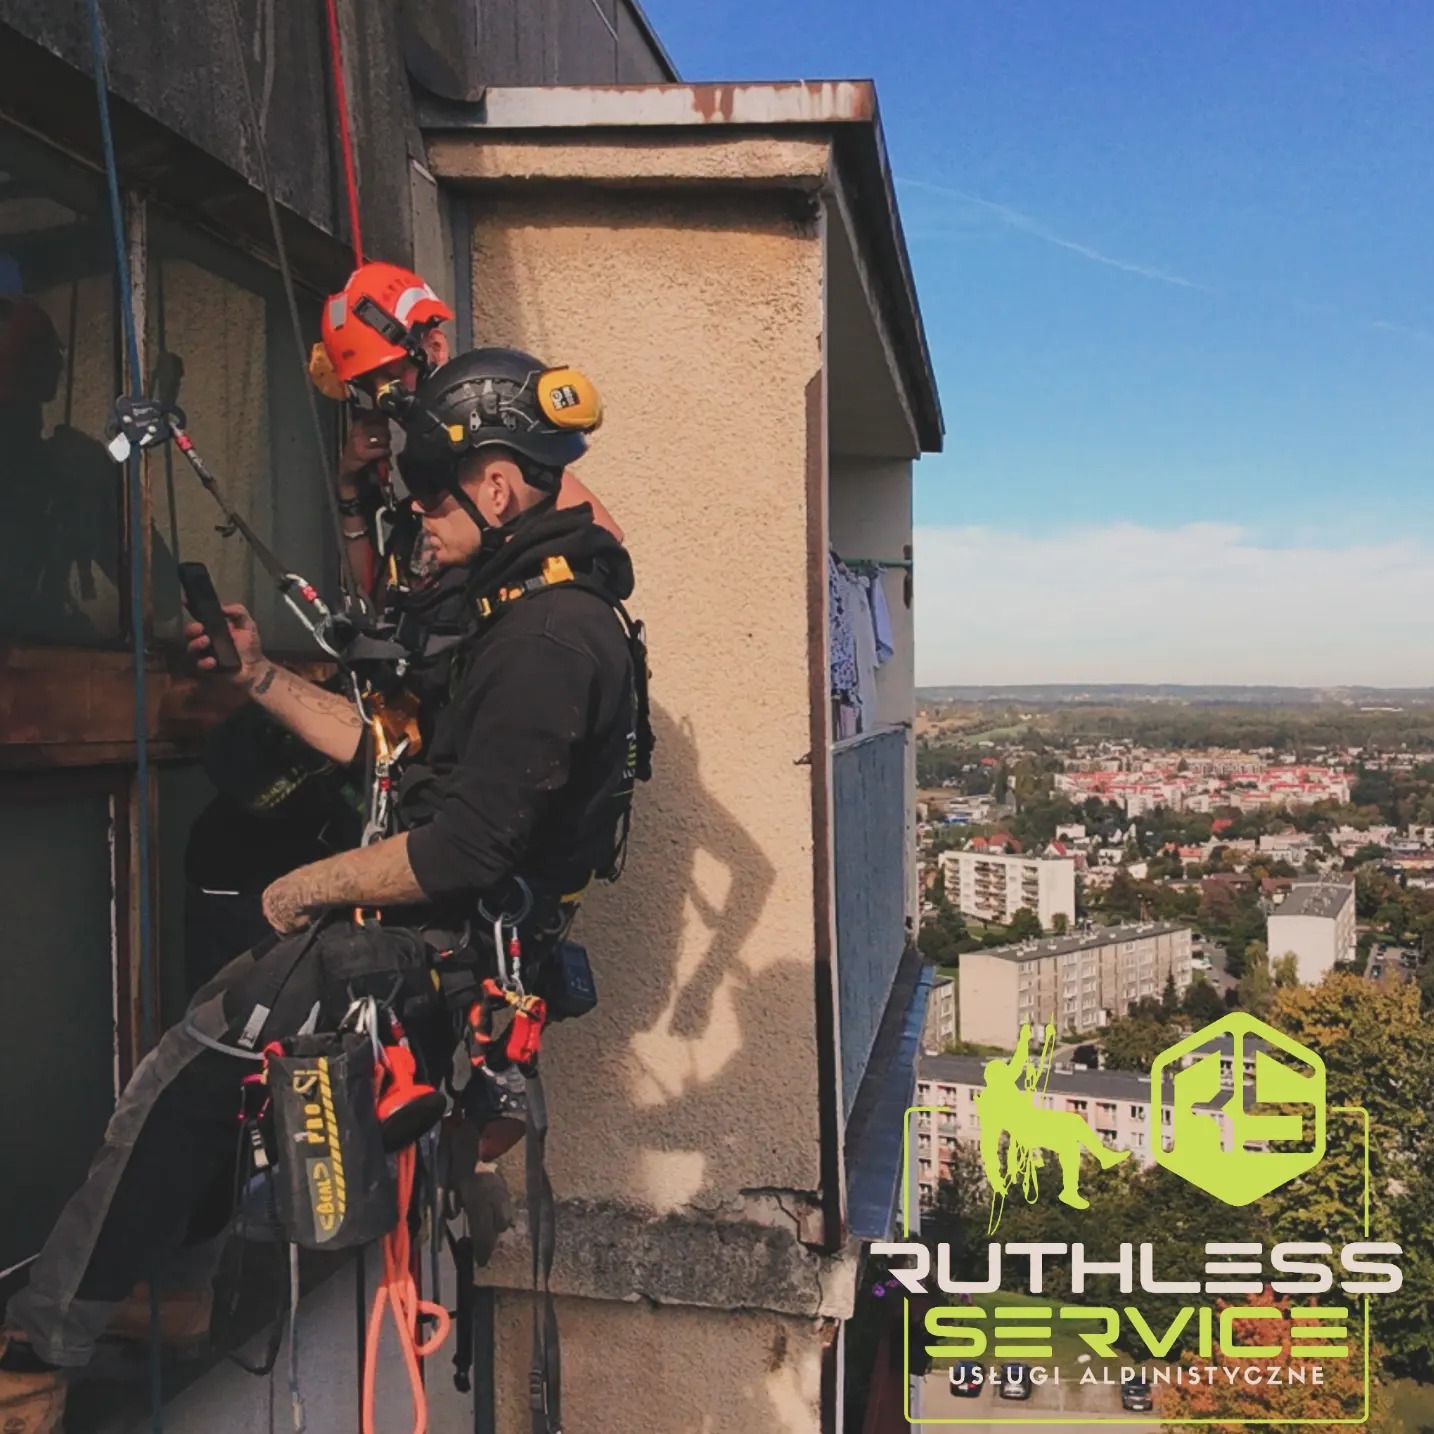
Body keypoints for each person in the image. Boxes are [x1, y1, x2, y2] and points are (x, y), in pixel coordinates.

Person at [0, 345, 645, 1434]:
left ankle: (33, 1361)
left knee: (183, 1073)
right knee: (209, 1092)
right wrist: (258, 676)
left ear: (496, 487)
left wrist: (310, 886)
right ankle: (176, 1289)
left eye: (434, 496)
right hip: (433, 936)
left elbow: (463, 852)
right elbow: (391, 755)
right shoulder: (516, 610)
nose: (418, 519)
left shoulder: (546, 637)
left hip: (431, 944)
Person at [180, 260, 625, 990]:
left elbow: (584, 550)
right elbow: (381, 599)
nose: (383, 399)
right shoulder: (439, 483)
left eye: (387, 377)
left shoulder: (538, 605)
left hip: (457, 803)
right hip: (417, 725)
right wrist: (356, 489)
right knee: (235, 805)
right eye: (367, 387)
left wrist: (302, 891)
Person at [976, 1022, 1129, 1212]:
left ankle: (1074, 1187)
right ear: (994, 1077)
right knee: (1073, 1126)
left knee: (1071, 1138)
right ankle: (1099, 1160)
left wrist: (1024, 1039)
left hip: (1034, 1121)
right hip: (1027, 1130)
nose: (1008, 1075)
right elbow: (988, 1143)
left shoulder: (1004, 1084)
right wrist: (995, 1178)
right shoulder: (991, 1102)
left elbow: (1017, 1062)